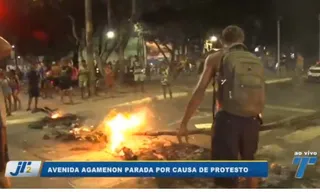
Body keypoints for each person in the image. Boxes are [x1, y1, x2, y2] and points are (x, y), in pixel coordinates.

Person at [178, 25, 264, 188]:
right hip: (253, 119)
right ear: (242, 40)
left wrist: (184, 123)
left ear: (223, 41)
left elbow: (199, 91)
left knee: (225, 172)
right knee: (250, 164)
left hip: (227, 120)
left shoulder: (215, 58)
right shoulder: (254, 59)